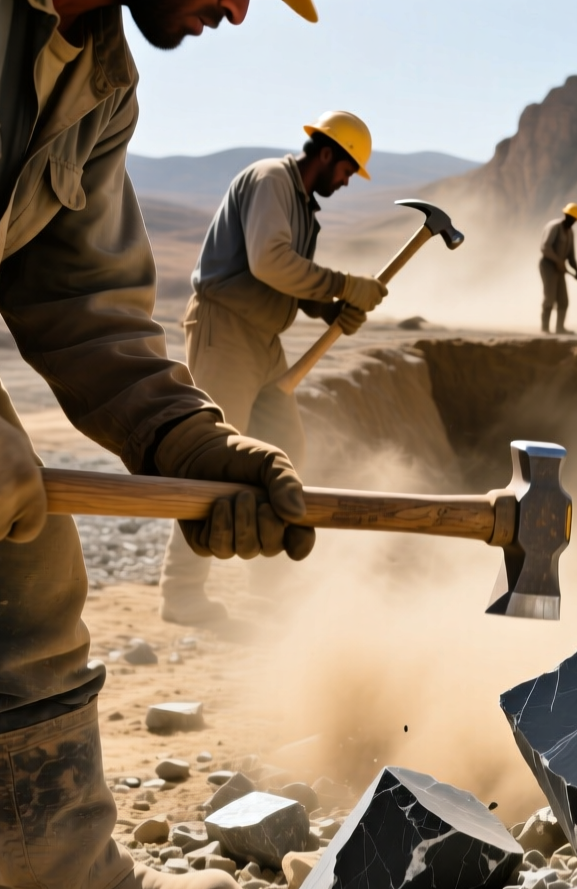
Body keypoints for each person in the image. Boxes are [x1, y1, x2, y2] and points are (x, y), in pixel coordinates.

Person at [0, 1, 323, 889]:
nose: (241, 9)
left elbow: (83, 301)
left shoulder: (100, 86)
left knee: (19, 584)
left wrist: (190, 444)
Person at [160, 110, 387, 626]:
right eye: (349, 169)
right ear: (327, 154)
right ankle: (181, 593)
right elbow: (268, 262)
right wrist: (344, 284)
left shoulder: (303, 207)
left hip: (263, 342)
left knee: (284, 453)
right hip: (226, 331)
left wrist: (326, 308)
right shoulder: (271, 180)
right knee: (211, 460)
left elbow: (281, 279)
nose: (349, 181)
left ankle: (269, 587)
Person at [538, 203, 577, 334]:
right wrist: (557, 261)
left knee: (563, 300)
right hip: (548, 266)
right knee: (550, 297)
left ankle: (560, 328)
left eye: (574, 220)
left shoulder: (570, 233)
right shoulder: (554, 227)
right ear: (566, 215)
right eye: (571, 218)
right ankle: (545, 328)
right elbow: (545, 247)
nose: (572, 222)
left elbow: (571, 256)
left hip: (560, 269)